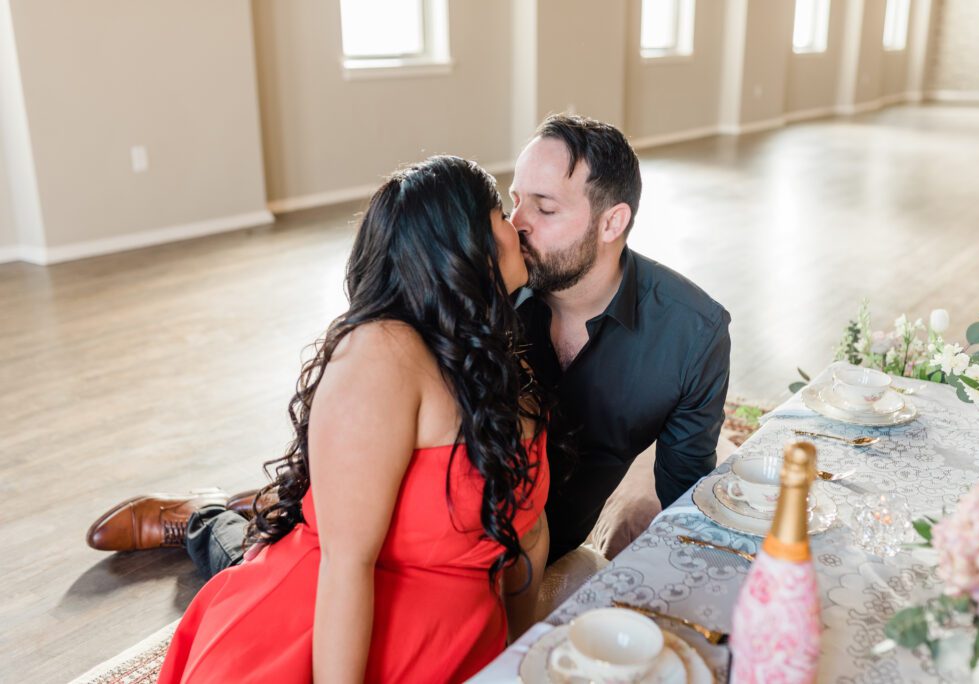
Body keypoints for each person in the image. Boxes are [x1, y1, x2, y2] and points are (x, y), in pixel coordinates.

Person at [88, 115, 730, 581]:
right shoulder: (488, 282)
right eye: (514, 200)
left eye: (545, 207)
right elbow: (373, 406)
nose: (516, 224)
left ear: (612, 222)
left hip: (527, 542)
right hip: (422, 521)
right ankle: (206, 517)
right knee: (292, 570)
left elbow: (686, 504)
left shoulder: (693, 336)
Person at [154, 156, 551, 683]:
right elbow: (345, 568)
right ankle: (202, 516)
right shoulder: (382, 354)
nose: (518, 223)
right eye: (503, 210)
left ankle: (248, 506)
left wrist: (521, 662)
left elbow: (528, 534)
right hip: (323, 637)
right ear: (462, 240)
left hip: (454, 642)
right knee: (241, 552)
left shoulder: (502, 359)